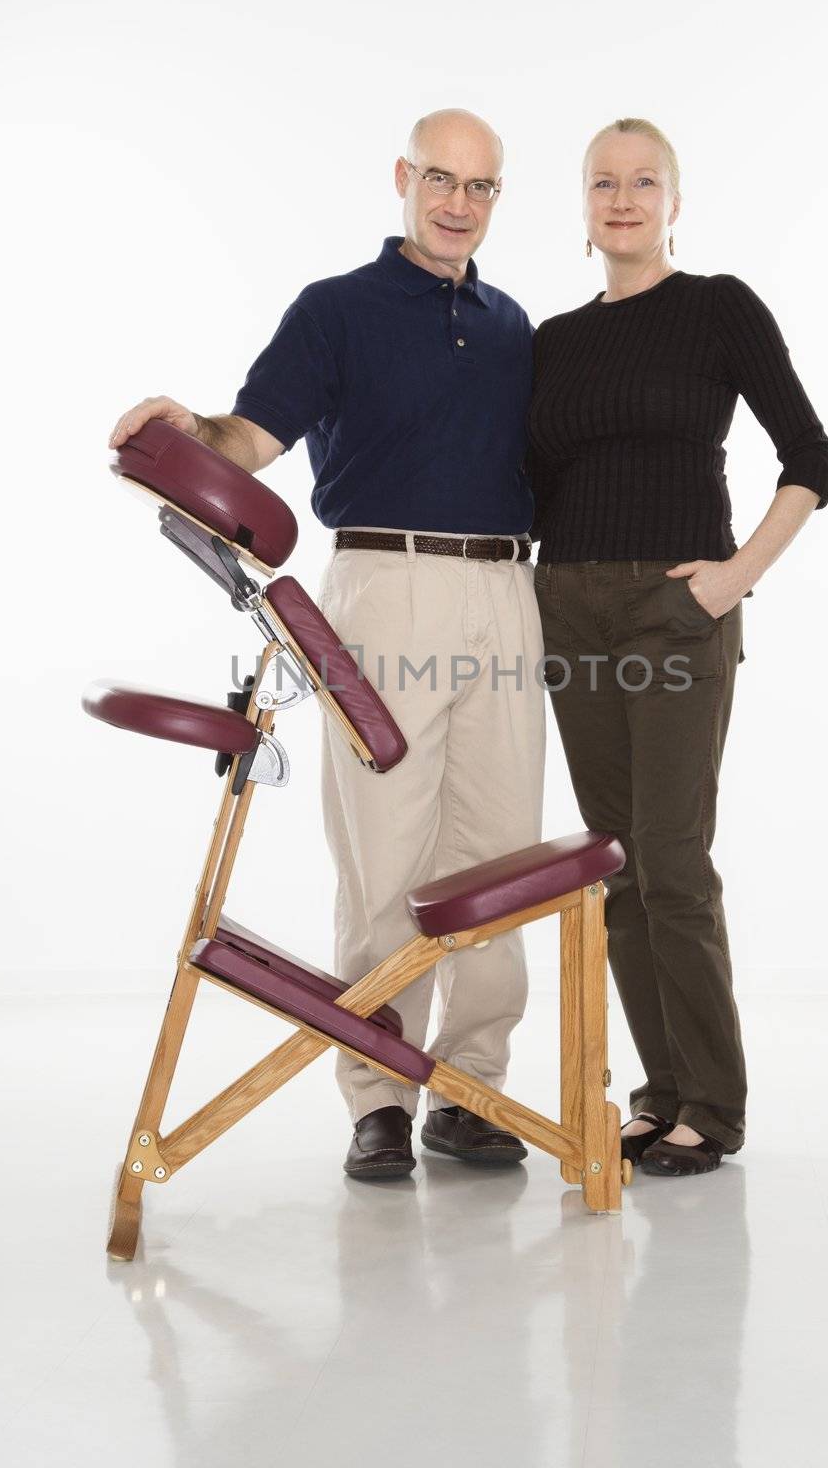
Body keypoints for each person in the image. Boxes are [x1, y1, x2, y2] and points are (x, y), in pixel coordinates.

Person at [109, 109, 545, 1182]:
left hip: (507, 587)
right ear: (402, 179)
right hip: (383, 587)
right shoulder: (335, 310)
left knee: (498, 856)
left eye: (480, 188)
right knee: (384, 852)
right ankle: (379, 1094)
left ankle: (470, 1086)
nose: (457, 204)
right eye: (439, 179)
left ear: (497, 199)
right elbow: (250, 439)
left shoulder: (510, 324)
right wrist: (190, 429)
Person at [525, 116, 828, 1177]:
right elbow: (529, 484)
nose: (621, 198)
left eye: (642, 181)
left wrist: (730, 577)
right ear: (580, 206)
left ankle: (714, 1101)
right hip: (566, 606)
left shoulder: (716, 308)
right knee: (615, 867)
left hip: (674, 609)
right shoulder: (553, 343)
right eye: (602, 182)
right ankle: (658, 1095)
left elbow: (810, 457)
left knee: (672, 861)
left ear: (672, 201)